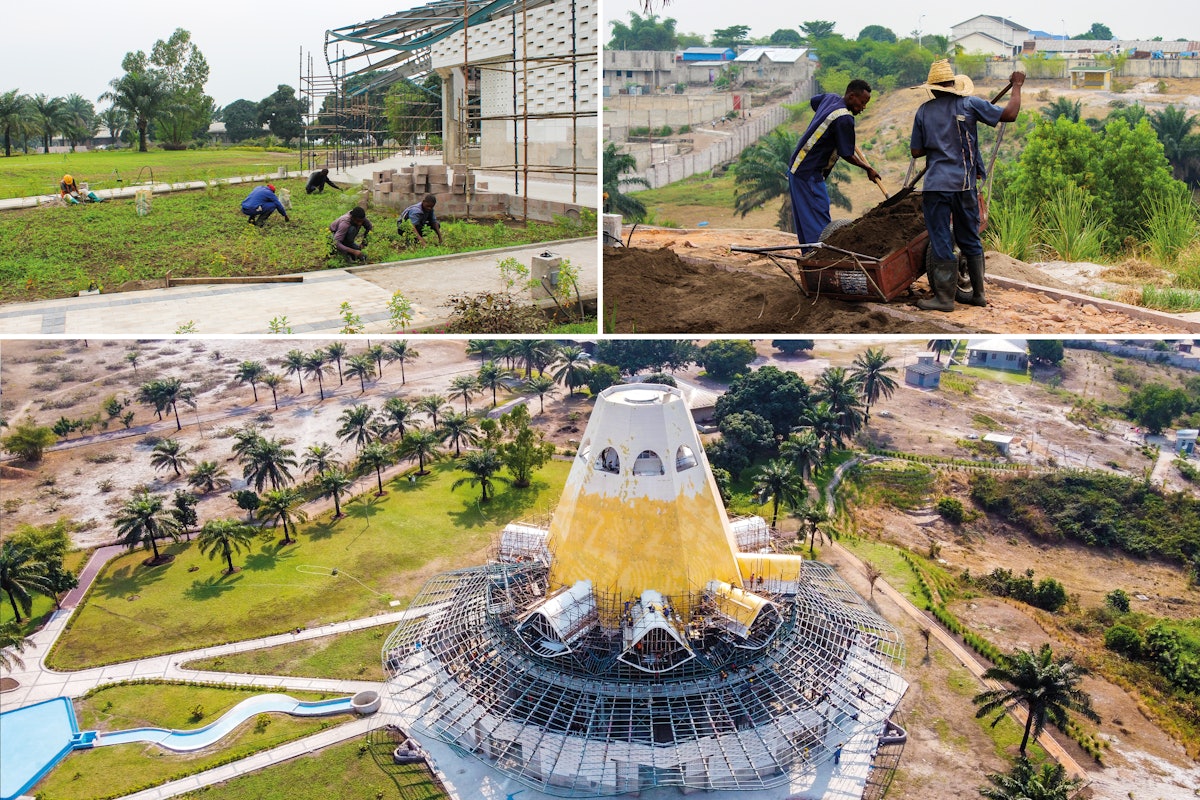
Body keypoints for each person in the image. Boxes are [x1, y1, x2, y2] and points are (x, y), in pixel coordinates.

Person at [910, 60, 1024, 311]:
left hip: (937, 186)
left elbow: (916, 151)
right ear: (953, 84)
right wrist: (1016, 86)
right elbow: (1010, 114)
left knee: (941, 239)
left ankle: (943, 299)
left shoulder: (924, 111)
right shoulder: (970, 104)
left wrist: (936, 142)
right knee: (970, 238)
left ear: (932, 89)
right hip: (965, 185)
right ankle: (978, 294)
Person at [787, 80, 880, 247]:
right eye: (862, 102)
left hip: (796, 167)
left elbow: (814, 102)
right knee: (818, 220)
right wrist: (868, 168)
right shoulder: (844, 119)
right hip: (809, 173)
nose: (863, 107)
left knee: (805, 219)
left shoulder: (831, 98)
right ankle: (819, 260)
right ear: (852, 96)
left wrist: (828, 122)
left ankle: (809, 258)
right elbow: (847, 153)